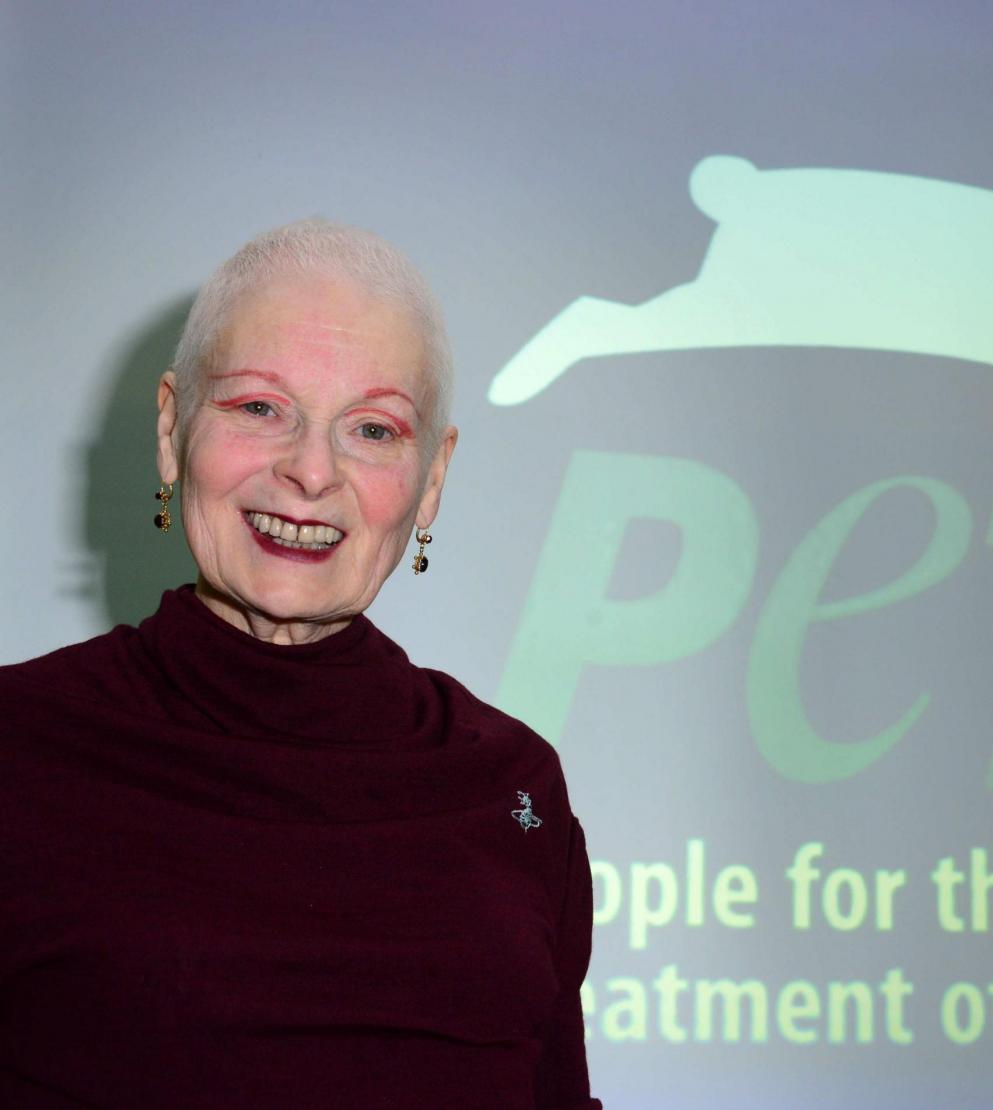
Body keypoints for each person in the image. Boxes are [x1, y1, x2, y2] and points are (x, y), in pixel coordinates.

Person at [0, 219, 602, 1109]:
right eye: (259, 408)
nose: (312, 472)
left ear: (432, 479)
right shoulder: (19, 745)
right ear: (171, 428)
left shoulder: (513, 786)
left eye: (373, 429)